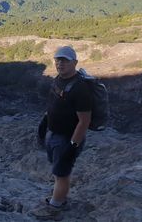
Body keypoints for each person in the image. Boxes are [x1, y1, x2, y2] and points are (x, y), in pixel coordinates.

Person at [31, 46, 93, 220]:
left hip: (67, 138)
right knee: (58, 169)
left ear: (75, 63)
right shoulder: (58, 79)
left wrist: (73, 146)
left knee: (62, 173)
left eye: (65, 60)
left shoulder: (80, 89)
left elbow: (84, 121)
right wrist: (44, 123)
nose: (60, 63)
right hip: (54, 134)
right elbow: (53, 104)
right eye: (58, 60)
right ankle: (59, 198)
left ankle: (55, 207)